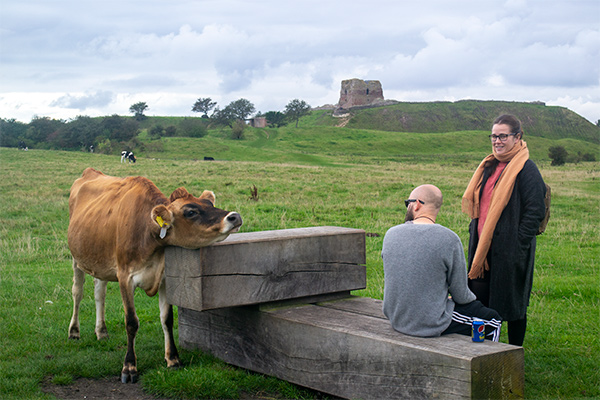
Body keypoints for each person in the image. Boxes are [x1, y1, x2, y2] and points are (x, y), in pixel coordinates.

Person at [462, 114, 546, 346]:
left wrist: (518, 244)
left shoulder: (526, 169)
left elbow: (535, 210)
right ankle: (483, 349)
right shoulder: (489, 165)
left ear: (517, 137)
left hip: (511, 251)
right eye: (494, 136)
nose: (497, 141)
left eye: (503, 136)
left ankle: (514, 351)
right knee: (479, 300)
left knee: (513, 304)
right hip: (482, 247)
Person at [382, 184, 502, 341]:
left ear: (417, 204)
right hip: (428, 323)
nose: (407, 207)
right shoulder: (449, 239)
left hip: (396, 318)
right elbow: (461, 295)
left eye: (408, 203)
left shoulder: (391, 234)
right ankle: (486, 362)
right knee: (492, 319)